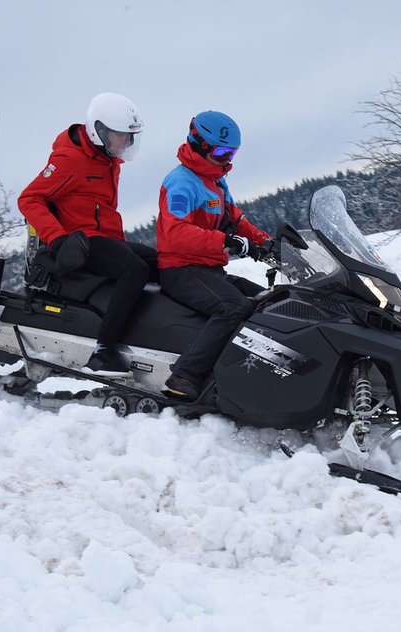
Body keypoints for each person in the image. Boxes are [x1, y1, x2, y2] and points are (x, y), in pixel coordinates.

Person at [18, 92, 157, 376]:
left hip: (107, 239)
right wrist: (58, 239)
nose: (127, 143)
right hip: (81, 242)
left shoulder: (107, 160)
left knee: (161, 261)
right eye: (122, 136)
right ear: (100, 131)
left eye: (132, 136)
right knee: (134, 270)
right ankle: (103, 351)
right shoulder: (71, 159)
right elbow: (29, 199)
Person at [155, 110, 273, 401]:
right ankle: (185, 376)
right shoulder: (181, 182)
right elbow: (175, 232)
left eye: (232, 152)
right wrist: (225, 242)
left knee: (269, 303)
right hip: (181, 269)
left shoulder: (216, 182)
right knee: (234, 307)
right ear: (199, 144)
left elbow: (235, 219)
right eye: (221, 151)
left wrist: (268, 242)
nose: (227, 159)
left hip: (208, 270)